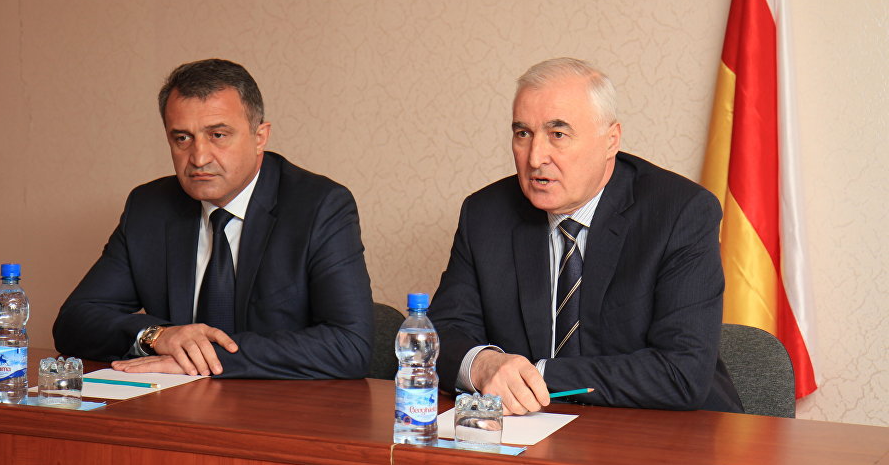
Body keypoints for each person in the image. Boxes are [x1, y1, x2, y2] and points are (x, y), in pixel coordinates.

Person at [429, 58, 743, 414]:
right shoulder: (486, 214)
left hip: (669, 431)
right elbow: (438, 334)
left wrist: (537, 375)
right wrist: (483, 365)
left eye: (558, 135)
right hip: (532, 432)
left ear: (611, 141)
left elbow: (681, 372)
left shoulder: (679, 213)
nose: (535, 158)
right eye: (523, 134)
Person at [53, 59, 373, 379]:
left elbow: (349, 345)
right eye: (182, 138)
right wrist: (158, 336)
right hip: (175, 400)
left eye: (218, 135)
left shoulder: (319, 206)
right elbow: (74, 322)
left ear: (260, 136)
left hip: (277, 403)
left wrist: (204, 357)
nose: (199, 157)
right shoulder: (149, 207)